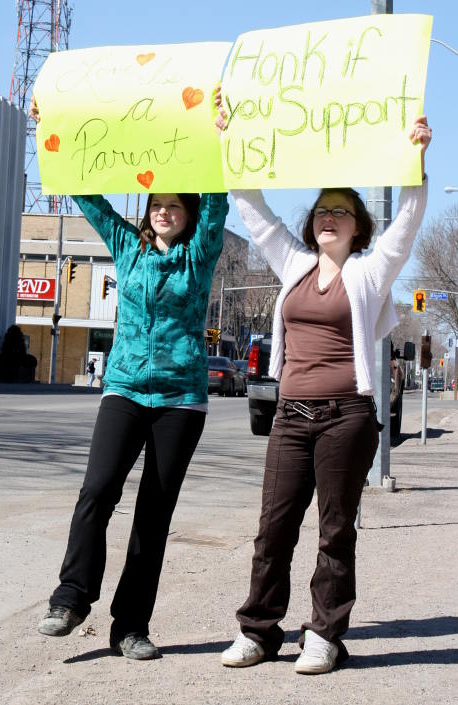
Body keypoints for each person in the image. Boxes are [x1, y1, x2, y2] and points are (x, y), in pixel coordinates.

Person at [216, 95, 431, 673]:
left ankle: (324, 635)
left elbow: (409, 222)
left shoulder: (369, 271)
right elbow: (253, 209)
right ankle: (259, 631)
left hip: (346, 415)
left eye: (341, 211)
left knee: (334, 531)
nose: (327, 217)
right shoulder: (292, 265)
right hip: (291, 416)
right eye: (320, 211)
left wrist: (415, 161)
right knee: (273, 528)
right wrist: (231, 141)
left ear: (358, 226)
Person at [30, 97, 229, 659]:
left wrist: (216, 138)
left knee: (153, 513)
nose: (163, 211)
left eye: (174, 205)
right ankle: (71, 598)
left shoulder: (200, 254)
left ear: (188, 212)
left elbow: (219, 202)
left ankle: (131, 626)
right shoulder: (126, 245)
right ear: (146, 210)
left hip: (180, 400)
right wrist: (54, 134)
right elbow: (85, 196)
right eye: (156, 204)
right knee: (97, 491)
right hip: (123, 388)